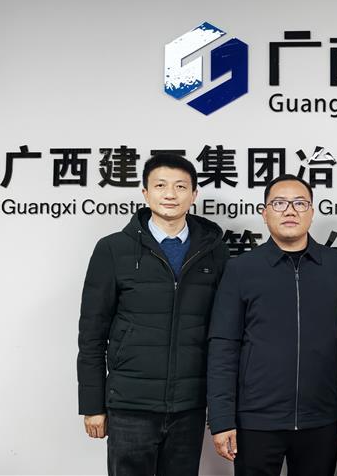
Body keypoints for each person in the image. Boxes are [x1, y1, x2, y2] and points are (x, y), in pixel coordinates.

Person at [77, 153, 229, 476]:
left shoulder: (214, 251)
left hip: (189, 405)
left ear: (194, 194)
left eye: (180, 186)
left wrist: (220, 407)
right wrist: (92, 405)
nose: (170, 194)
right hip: (130, 404)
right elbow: (91, 334)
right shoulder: (113, 249)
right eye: (160, 185)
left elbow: (223, 333)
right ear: (145, 193)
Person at [207, 174, 337, 476]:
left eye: (299, 203)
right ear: (264, 213)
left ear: (312, 212)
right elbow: (223, 346)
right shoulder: (241, 269)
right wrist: (222, 418)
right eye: (279, 203)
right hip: (256, 421)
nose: (290, 210)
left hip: (320, 418)